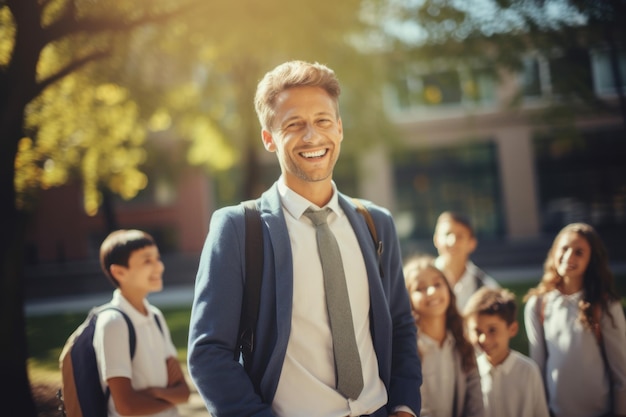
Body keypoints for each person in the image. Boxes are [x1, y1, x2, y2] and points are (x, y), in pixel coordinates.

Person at [187, 60, 422, 417]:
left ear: (340, 129)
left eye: (323, 121)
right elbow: (208, 352)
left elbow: (400, 325)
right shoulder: (237, 228)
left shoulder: (376, 223)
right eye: (294, 124)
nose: (312, 136)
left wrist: (404, 407)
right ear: (269, 138)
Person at [523, 222, 626, 417]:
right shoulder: (537, 305)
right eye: (564, 248)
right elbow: (537, 370)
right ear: (554, 251)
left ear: (591, 260)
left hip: (601, 412)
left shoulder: (605, 305)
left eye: (579, 252)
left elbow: (621, 372)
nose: (569, 256)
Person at [94, 229, 191, 417]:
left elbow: (184, 393)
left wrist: (155, 394)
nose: (159, 267)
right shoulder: (113, 323)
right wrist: (168, 398)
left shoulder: (155, 316)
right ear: (119, 272)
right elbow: (127, 407)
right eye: (147, 260)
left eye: (157, 258)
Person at [403, 254, 483, 417]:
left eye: (437, 284)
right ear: (408, 298)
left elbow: (475, 403)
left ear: (448, 288)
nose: (432, 292)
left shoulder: (463, 344)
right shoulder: (407, 349)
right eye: (420, 288)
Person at [463, 287, 550, 417]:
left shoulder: (528, 371)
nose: (484, 339)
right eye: (478, 331)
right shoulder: (469, 372)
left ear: (512, 329)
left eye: (492, 330)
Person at [433, 211, 500, 310]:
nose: (452, 242)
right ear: (436, 240)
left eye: (459, 236)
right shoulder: (418, 282)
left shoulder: (487, 288)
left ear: (472, 243)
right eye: (447, 234)